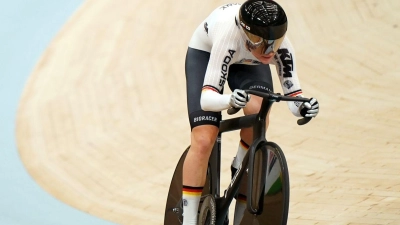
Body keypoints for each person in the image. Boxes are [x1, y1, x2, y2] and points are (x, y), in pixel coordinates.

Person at [182, 0, 319, 224]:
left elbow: (293, 95)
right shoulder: (229, 36)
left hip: (248, 60)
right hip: (207, 53)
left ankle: (242, 164)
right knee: (204, 138)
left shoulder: (276, 47)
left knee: (258, 113)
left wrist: (304, 107)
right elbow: (207, 100)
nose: (268, 50)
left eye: (274, 44)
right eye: (259, 41)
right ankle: (188, 220)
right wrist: (228, 99)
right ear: (245, 33)